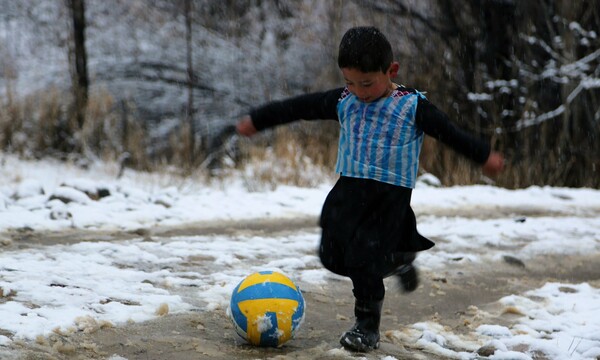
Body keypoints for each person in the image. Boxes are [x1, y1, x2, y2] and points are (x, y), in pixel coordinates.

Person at [236, 26, 504, 352]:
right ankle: (398, 256)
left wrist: (483, 155)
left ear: (391, 71)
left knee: (362, 259)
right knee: (332, 256)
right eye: (350, 82)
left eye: (367, 83)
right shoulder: (343, 100)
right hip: (349, 189)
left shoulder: (411, 106)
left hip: (388, 197)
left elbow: (450, 133)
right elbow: (298, 107)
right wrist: (258, 120)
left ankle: (367, 326)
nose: (358, 91)